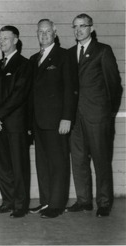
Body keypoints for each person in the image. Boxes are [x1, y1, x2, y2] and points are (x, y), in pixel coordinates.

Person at [66, 13, 122, 217]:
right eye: (75, 26)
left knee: (101, 160)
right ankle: (83, 201)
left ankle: (104, 202)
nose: (78, 30)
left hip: (98, 116)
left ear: (91, 28)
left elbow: (115, 85)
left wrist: (108, 112)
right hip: (76, 118)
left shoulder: (102, 51)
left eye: (83, 26)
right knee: (78, 160)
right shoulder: (70, 53)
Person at [28, 19, 78, 218]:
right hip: (38, 122)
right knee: (42, 164)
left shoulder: (64, 56)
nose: (44, 34)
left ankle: (56, 204)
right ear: (37, 33)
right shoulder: (33, 59)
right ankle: (46, 201)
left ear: (55, 32)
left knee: (58, 163)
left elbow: (70, 89)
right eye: (40, 31)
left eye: (48, 31)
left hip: (57, 121)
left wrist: (67, 117)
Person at [0, 26, 31, 218]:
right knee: (2, 166)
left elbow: (18, 95)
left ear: (16, 40)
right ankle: (8, 201)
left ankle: (21, 205)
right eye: (0, 38)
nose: (2, 42)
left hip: (14, 124)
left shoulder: (24, 64)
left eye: (6, 38)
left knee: (18, 166)